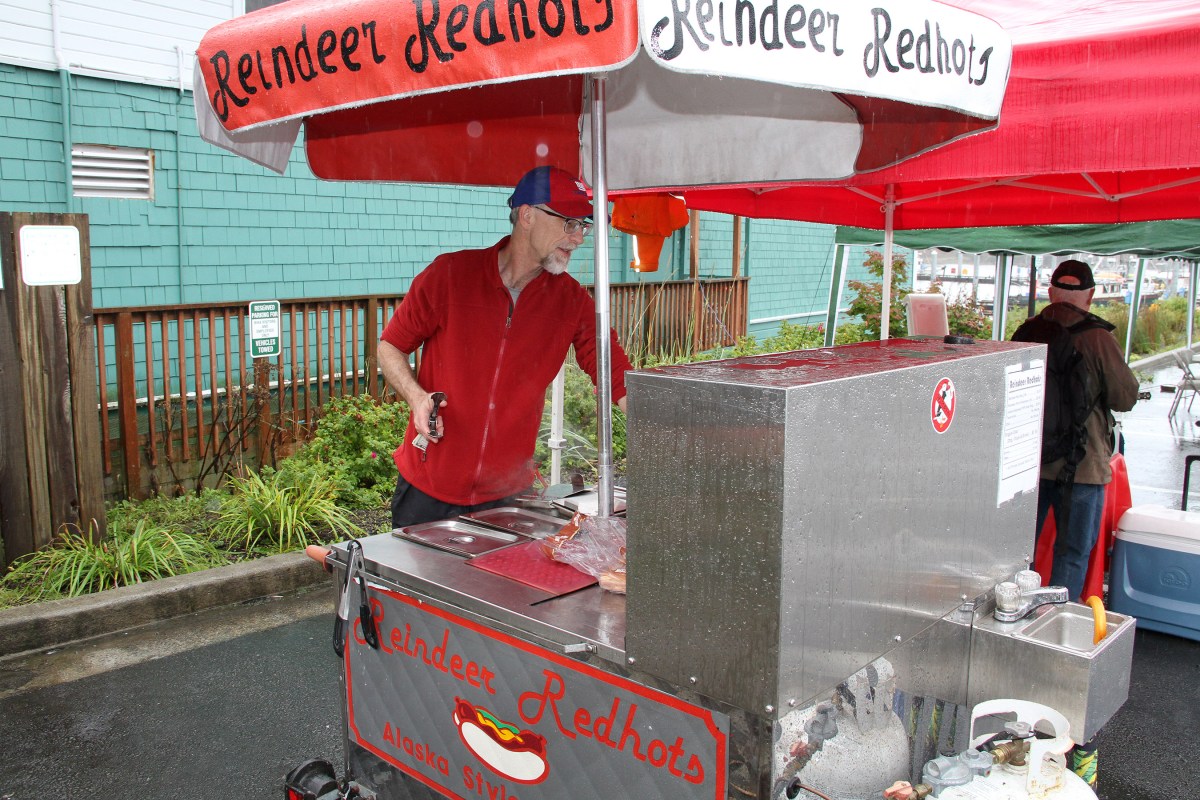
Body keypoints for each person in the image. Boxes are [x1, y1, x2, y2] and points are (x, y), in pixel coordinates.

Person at [378, 166, 633, 529]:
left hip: (507, 498)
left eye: (583, 226)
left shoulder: (571, 301)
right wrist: (417, 397)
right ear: (527, 215)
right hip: (426, 489)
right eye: (569, 223)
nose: (578, 237)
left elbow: (614, 371)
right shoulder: (451, 275)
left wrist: (661, 424)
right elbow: (390, 346)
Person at [1014, 259, 1139, 600]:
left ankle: (1009, 611)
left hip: (1026, 463)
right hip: (1082, 465)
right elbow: (1124, 397)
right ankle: (1057, 619)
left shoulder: (1026, 332)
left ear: (1050, 292)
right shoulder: (1098, 338)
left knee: (1016, 551)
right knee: (1072, 552)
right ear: (1090, 295)